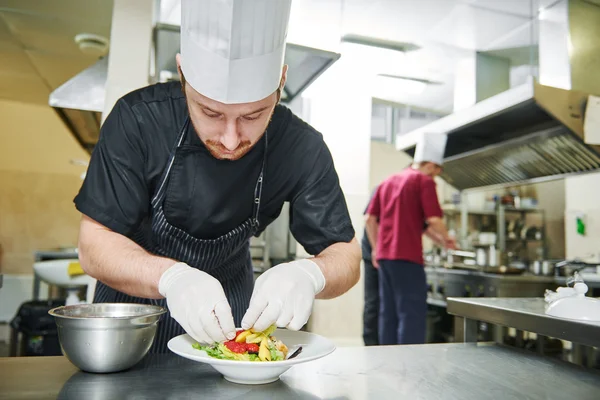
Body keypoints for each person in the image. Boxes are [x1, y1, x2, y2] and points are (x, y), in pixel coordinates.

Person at [74, 0, 360, 353]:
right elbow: (93, 245)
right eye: (210, 112)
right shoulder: (138, 120)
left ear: (281, 81)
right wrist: (172, 278)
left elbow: (345, 254)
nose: (230, 139)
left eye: (253, 115)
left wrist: (311, 275)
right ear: (182, 74)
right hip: (131, 327)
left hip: (230, 324)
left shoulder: (301, 146)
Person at [364, 132, 456, 345]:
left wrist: (377, 249)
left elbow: (370, 219)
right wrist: (448, 238)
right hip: (408, 257)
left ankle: (387, 363)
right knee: (411, 312)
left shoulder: (388, 181)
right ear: (432, 165)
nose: (434, 178)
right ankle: (410, 368)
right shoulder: (423, 181)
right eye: (436, 173)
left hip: (385, 258)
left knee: (388, 313)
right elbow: (434, 220)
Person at [362, 187, 379, 346]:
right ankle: (371, 345)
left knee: (381, 304)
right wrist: (376, 249)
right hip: (373, 254)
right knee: (373, 303)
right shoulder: (382, 188)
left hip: (382, 255)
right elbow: (369, 219)